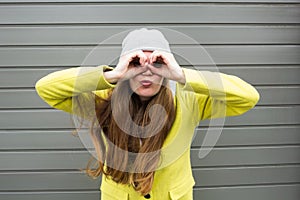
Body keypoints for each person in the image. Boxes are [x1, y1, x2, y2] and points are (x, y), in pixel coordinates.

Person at [35, 28, 260, 200]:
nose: (147, 72)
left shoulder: (188, 99)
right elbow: (46, 88)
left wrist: (181, 75)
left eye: (157, 63)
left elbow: (248, 97)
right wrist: (113, 75)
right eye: (137, 63)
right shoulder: (103, 98)